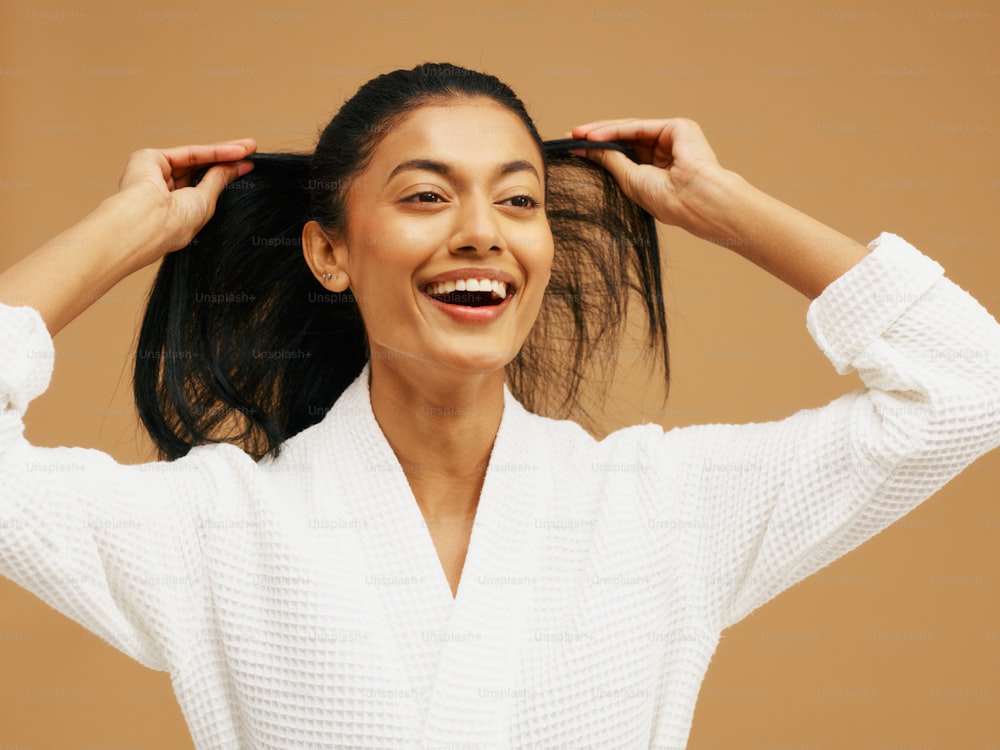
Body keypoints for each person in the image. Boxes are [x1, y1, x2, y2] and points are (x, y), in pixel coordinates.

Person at [1, 62, 998, 749]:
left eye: (518, 200)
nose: (482, 232)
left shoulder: (663, 507)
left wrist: (723, 206)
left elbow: (967, 385)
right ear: (330, 252)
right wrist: (126, 226)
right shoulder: (215, 529)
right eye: (427, 196)